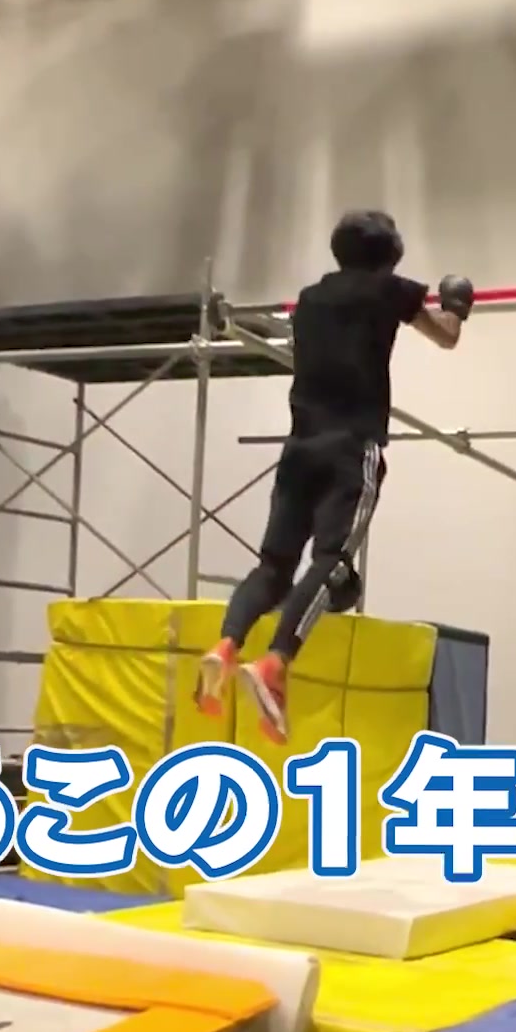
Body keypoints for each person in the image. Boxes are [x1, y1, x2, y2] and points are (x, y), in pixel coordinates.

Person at [195, 210, 473, 744]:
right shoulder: (391, 290)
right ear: (390, 254)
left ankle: (226, 645)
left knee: (273, 566)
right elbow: (446, 336)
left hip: (299, 446)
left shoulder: (310, 299)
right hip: (351, 447)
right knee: (333, 562)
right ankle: (276, 662)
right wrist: (457, 302)